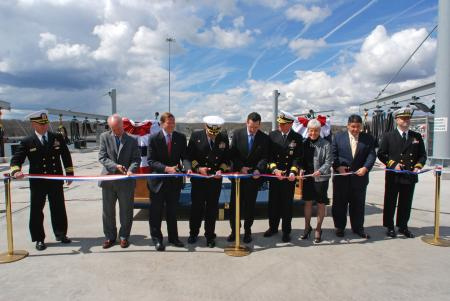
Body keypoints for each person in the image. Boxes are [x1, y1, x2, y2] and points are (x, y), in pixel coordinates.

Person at [10, 110, 74, 251]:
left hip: (55, 179)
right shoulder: (27, 141)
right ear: (34, 124)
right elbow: (16, 160)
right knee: (36, 210)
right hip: (38, 183)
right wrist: (16, 170)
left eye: (46, 123)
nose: (44, 126)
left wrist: (69, 173)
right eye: (41, 124)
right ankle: (39, 238)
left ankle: (61, 234)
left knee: (58, 208)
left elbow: (65, 155)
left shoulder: (56, 137)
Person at [377, 107, 427, 238]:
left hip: (409, 175)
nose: (406, 120)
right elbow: (381, 154)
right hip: (394, 175)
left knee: (406, 202)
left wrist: (418, 166)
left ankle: (403, 226)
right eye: (403, 118)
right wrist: (393, 164)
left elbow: (422, 155)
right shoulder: (388, 136)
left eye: (408, 118)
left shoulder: (416, 136)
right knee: (390, 201)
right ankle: (389, 226)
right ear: (396, 120)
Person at [184, 116, 230, 248]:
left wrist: (221, 169)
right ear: (206, 127)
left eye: (215, 133)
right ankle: (193, 233)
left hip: (215, 181)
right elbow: (188, 157)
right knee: (196, 208)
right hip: (199, 180)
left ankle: (210, 235)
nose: (213, 135)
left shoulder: (223, 138)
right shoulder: (196, 136)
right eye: (210, 132)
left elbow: (226, 159)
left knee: (212, 209)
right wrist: (198, 168)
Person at [98, 114, 141, 249]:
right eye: (113, 129)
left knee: (126, 211)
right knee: (108, 211)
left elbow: (136, 159)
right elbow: (102, 157)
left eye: (118, 128)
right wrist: (115, 166)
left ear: (123, 125)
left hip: (126, 182)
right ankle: (110, 237)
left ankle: (124, 237)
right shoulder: (104, 137)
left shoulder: (133, 140)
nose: (116, 131)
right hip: (109, 181)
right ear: (110, 127)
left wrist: (131, 170)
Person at [147, 112, 187, 251]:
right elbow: (151, 161)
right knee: (156, 212)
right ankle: (157, 239)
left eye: (173, 123)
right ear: (161, 124)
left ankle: (174, 238)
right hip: (157, 182)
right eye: (169, 123)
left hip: (174, 182)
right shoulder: (153, 138)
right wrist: (166, 168)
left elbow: (185, 157)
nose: (171, 125)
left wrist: (187, 169)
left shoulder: (180, 138)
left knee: (172, 211)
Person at [332, 114, 376, 239]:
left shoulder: (368, 139)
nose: (355, 129)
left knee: (358, 204)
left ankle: (358, 228)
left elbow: (371, 155)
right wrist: (338, 167)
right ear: (348, 126)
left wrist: (366, 168)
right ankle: (339, 227)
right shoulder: (338, 137)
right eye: (353, 126)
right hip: (342, 177)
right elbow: (333, 154)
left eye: (358, 127)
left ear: (361, 126)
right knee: (340, 204)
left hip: (359, 178)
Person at [228, 112, 269, 243]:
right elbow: (232, 154)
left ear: (259, 125)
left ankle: (247, 231)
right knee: (235, 206)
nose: (253, 130)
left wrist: (258, 169)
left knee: (250, 207)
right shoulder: (237, 134)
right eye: (251, 127)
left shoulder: (263, 138)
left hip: (253, 178)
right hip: (239, 177)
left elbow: (264, 157)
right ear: (247, 122)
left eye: (256, 127)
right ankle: (235, 231)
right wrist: (240, 167)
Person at [264, 110, 303, 242]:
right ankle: (273, 228)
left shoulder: (297, 138)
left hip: (288, 178)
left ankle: (286, 231)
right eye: (279, 123)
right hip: (275, 177)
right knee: (273, 204)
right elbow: (269, 156)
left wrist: (293, 171)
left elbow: (297, 158)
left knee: (287, 206)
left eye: (283, 124)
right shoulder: (272, 135)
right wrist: (274, 170)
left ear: (290, 124)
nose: (280, 126)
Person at [301, 119, 332, 243]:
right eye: (311, 130)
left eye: (316, 131)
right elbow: (300, 160)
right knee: (307, 203)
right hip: (308, 178)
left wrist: (320, 170)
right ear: (307, 130)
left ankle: (318, 229)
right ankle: (307, 227)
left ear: (320, 131)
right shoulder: (303, 143)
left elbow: (329, 162)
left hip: (321, 179)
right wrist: (301, 169)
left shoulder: (326, 144)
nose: (313, 133)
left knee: (320, 204)